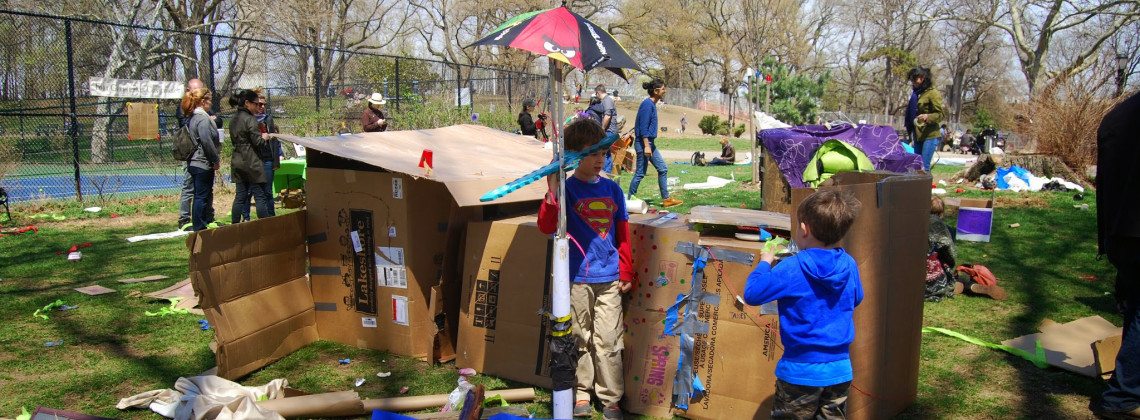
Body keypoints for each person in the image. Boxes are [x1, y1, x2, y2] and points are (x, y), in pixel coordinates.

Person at [537, 120, 633, 420]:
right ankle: (581, 394)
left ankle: (610, 398)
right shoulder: (567, 190)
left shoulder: (613, 190)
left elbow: (624, 233)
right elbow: (546, 226)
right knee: (579, 336)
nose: (599, 160)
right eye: (591, 154)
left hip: (610, 277)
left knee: (608, 338)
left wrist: (626, 270)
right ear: (575, 157)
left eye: (602, 153)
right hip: (577, 278)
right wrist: (552, 188)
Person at [743, 189, 863, 419]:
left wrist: (765, 262)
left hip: (799, 371)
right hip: (840, 370)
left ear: (804, 229)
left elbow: (752, 293)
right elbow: (857, 298)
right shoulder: (849, 264)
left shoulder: (793, 267)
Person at [1091, 91, 1140, 420]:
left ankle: (1126, 389)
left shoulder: (1119, 115)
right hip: (1132, 227)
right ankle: (1123, 395)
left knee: (1136, 305)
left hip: (1120, 230)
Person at [628, 79, 682, 207]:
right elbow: (643, 127)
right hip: (644, 143)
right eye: (663, 89)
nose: (665, 91)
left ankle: (666, 199)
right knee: (640, 172)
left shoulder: (651, 104)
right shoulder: (647, 104)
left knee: (662, 169)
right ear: (656, 91)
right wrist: (646, 146)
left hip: (650, 143)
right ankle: (630, 198)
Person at [228, 89, 274, 223]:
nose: (257, 107)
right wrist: (264, 137)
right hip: (252, 162)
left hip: (237, 160)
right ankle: (265, 226)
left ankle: (234, 225)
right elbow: (258, 142)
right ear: (247, 103)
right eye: (255, 104)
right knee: (260, 196)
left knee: (240, 196)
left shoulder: (233, 119)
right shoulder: (250, 119)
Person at [181, 87, 220, 232]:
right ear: (203, 101)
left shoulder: (193, 117)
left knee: (199, 195)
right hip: (202, 162)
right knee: (201, 196)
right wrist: (215, 159)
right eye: (209, 100)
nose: (211, 103)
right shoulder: (202, 118)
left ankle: (200, 224)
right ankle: (199, 226)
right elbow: (206, 141)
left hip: (194, 162)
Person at [239, 90, 281, 222]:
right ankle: (246, 218)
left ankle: (270, 218)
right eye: (259, 104)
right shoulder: (245, 119)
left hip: (267, 159)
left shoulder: (268, 119)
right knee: (248, 192)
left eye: (263, 104)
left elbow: (274, 140)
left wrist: (275, 161)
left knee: (267, 192)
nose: (261, 107)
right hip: (251, 161)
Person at [178, 78, 206, 229]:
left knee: (203, 189)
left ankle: (206, 216)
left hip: (202, 154)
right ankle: (184, 218)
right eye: (197, 91)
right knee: (189, 186)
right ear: (189, 91)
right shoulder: (184, 107)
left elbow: (218, 119)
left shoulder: (203, 108)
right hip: (190, 153)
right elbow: (185, 124)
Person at [908, 67, 943, 171]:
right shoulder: (917, 93)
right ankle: (918, 187)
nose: (913, 82)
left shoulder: (933, 93)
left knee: (924, 166)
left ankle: (925, 187)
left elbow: (940, 114)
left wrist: (928, 117)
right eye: (912, 79)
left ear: (923, 78)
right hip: (918, 134)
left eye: (915, 79)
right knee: (917, 166)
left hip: (930, 135)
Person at [588, 85, 619, 173]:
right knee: (605, 152)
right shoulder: (606, 100)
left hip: (610, 131)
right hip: (608, 131)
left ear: (598, 92)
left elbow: (608, 116)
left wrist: (602, 129)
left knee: (604, 153)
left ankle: (606, 173)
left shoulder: (607, 100)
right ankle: (605, 173)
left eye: (596, 94)